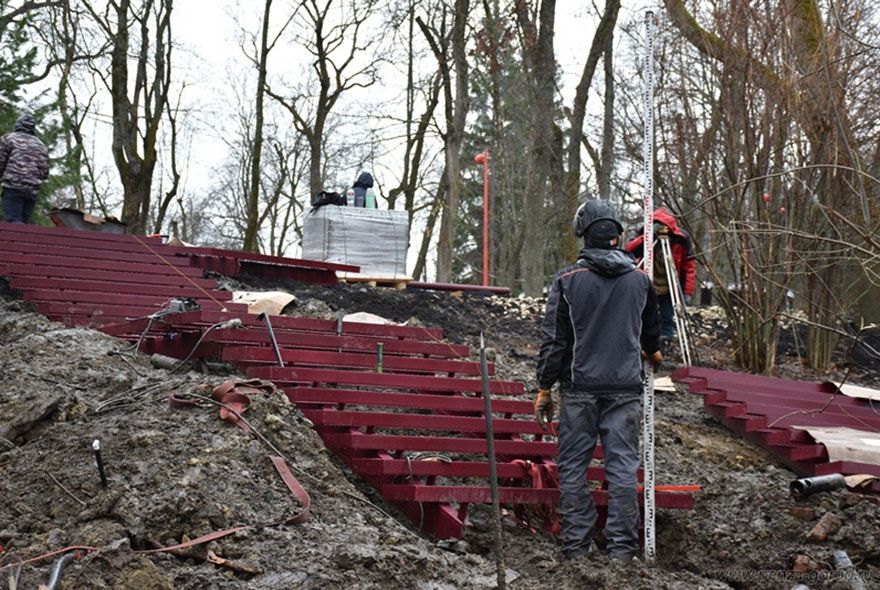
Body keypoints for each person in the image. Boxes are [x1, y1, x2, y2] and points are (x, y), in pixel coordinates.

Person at [535, 199, 661, 562]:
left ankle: (576, 548)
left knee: (574, 467)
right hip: (625, 389)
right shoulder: (640, 281)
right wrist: (652, 352)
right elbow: (650, 335)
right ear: (617, 235)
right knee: (622, 467)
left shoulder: (568, 281)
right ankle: (622, 551)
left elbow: (555, 341)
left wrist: (544, 386)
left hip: (579, 390)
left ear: (583, 233)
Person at [623, 207, 696, 343]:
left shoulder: (681, 239)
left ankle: (666, 342)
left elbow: (689, 265)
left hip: (669, 285)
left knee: (667, 317)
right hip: (647, 284)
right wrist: (647, 237)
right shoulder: (642, 233)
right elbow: (629, 251)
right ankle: (643, 343)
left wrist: (687, 292)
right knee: (643, 316)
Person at [0, 113, 49, 224]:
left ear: (18, 125)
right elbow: (45, 172)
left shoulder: (8, 139)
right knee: (24, 223)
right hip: (32, 190)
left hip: (14, 186)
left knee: (14, 221)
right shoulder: (41, 145)